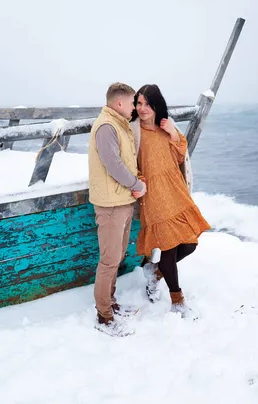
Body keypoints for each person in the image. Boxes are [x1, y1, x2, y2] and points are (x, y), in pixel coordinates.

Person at [131, 84, 210, 318]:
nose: (142, 108)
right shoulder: (133, 132)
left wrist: (174, 134)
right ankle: (177, 301)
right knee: (168, 246)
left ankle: (155, 273)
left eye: (147, 103)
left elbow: (179, 155)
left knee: (189, 243)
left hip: (175, 191)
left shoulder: (167, 127)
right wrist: (138, 181)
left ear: (157, 105)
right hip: (153, 195)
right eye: (139, 103)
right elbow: (127, 162)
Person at [89, 82, 146, 337]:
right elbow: (112, 163)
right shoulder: (106, 126)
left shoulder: (118, 124)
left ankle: (110, 303)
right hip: (111, 205)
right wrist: (136, 184)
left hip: (121, 201)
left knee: (116, 257)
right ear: (119, 103)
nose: (135, 107)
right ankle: (104, 316)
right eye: (133, 102)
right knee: (109, 260)